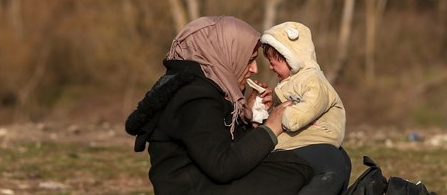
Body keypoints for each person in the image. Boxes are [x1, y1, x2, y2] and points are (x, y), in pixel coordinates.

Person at [125, 16, 313, 195]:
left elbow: (221, 146)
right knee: (301, 169)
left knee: (307, 161)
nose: (255, 68)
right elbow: (223, 166)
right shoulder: (193, 98)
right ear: (225, 55)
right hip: (194, 190)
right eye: (249, 59)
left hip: (206, 185)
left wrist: (251, 119)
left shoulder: (206, 88)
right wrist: (272, 126)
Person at [260, 21, 351, 195]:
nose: (270, 67)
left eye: (273, 62)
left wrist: (281, 115)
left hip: (316, 139)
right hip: (300, 142)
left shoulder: (313, 80)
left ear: (290, 57)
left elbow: (298, 116)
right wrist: (268, 108)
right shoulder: (290, 82)